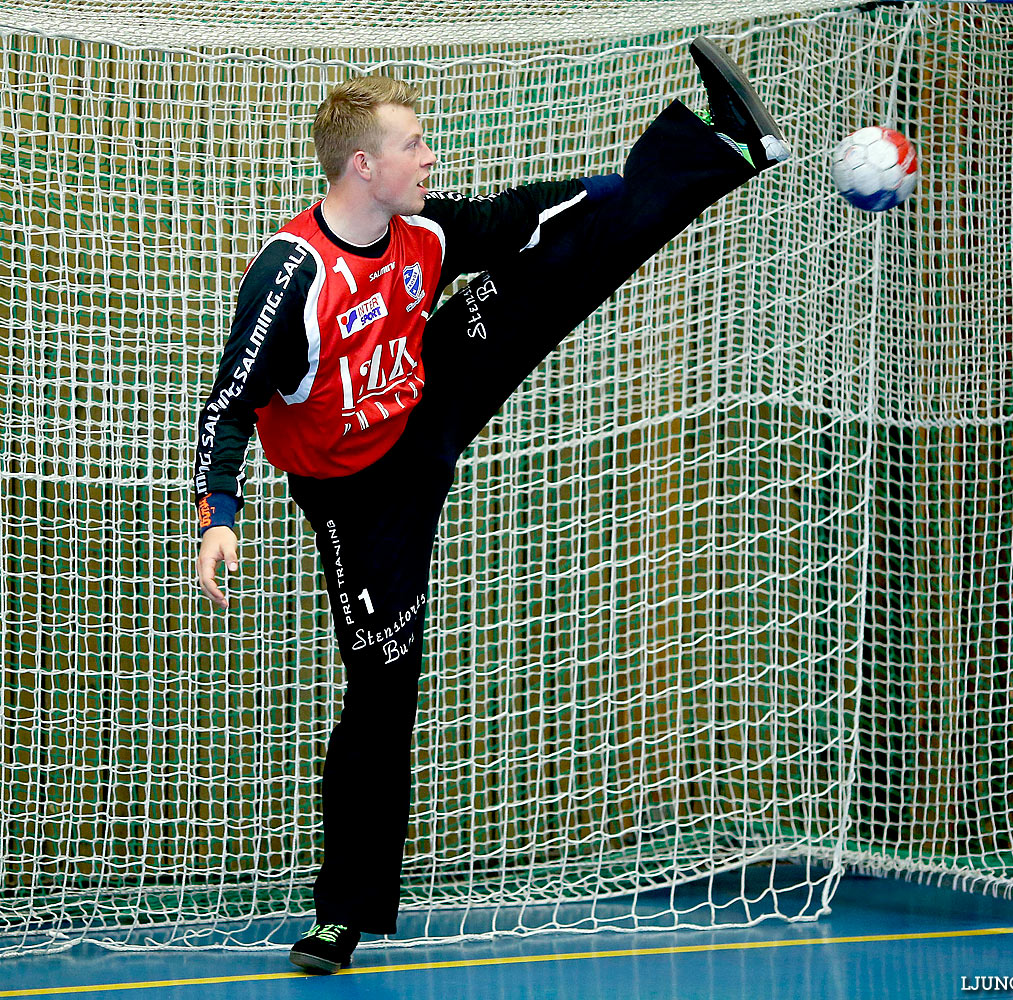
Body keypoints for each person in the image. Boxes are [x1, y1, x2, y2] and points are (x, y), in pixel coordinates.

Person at [193, 37, 790, 974]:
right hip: (360, 499)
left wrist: (609, 187)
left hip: (429, 397)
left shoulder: (421, 234)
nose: (429, 157)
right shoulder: (292, 277)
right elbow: (230, 400)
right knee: (382, 692)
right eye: (414, 145)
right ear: (364, 165)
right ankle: (343, 916)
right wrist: (219, 517)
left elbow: (515, 216)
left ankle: (728, 150)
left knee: (553, 262)